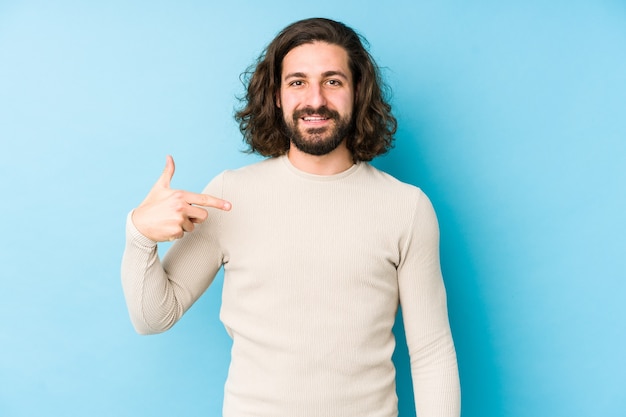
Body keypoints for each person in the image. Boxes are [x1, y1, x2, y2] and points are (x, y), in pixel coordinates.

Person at [122, 17, 461, 417]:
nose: (315, 100)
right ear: (278, 96)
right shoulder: (231, 195)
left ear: (357, 93)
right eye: (297, 82)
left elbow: (431, 352)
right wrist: (139, 235)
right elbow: (153, 317)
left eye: (333, 81)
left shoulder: (406, 206)